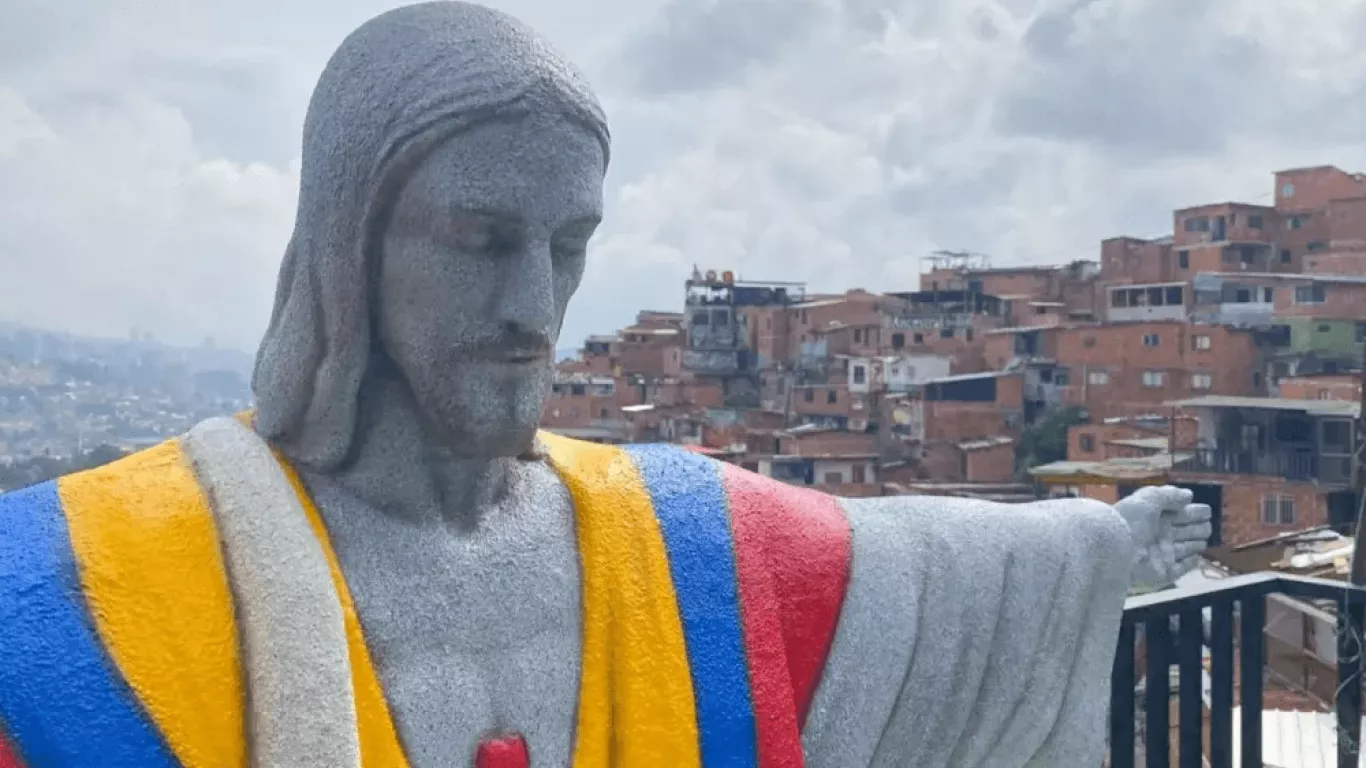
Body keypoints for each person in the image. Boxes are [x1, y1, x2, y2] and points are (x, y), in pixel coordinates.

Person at [0, 4, 1211, 767]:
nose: (533, 305)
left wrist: (1100, 544)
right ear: (346, 244)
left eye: (566, 244)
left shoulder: (666, 533)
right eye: (479, 240)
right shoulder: (79, 585)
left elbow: (911, 565)